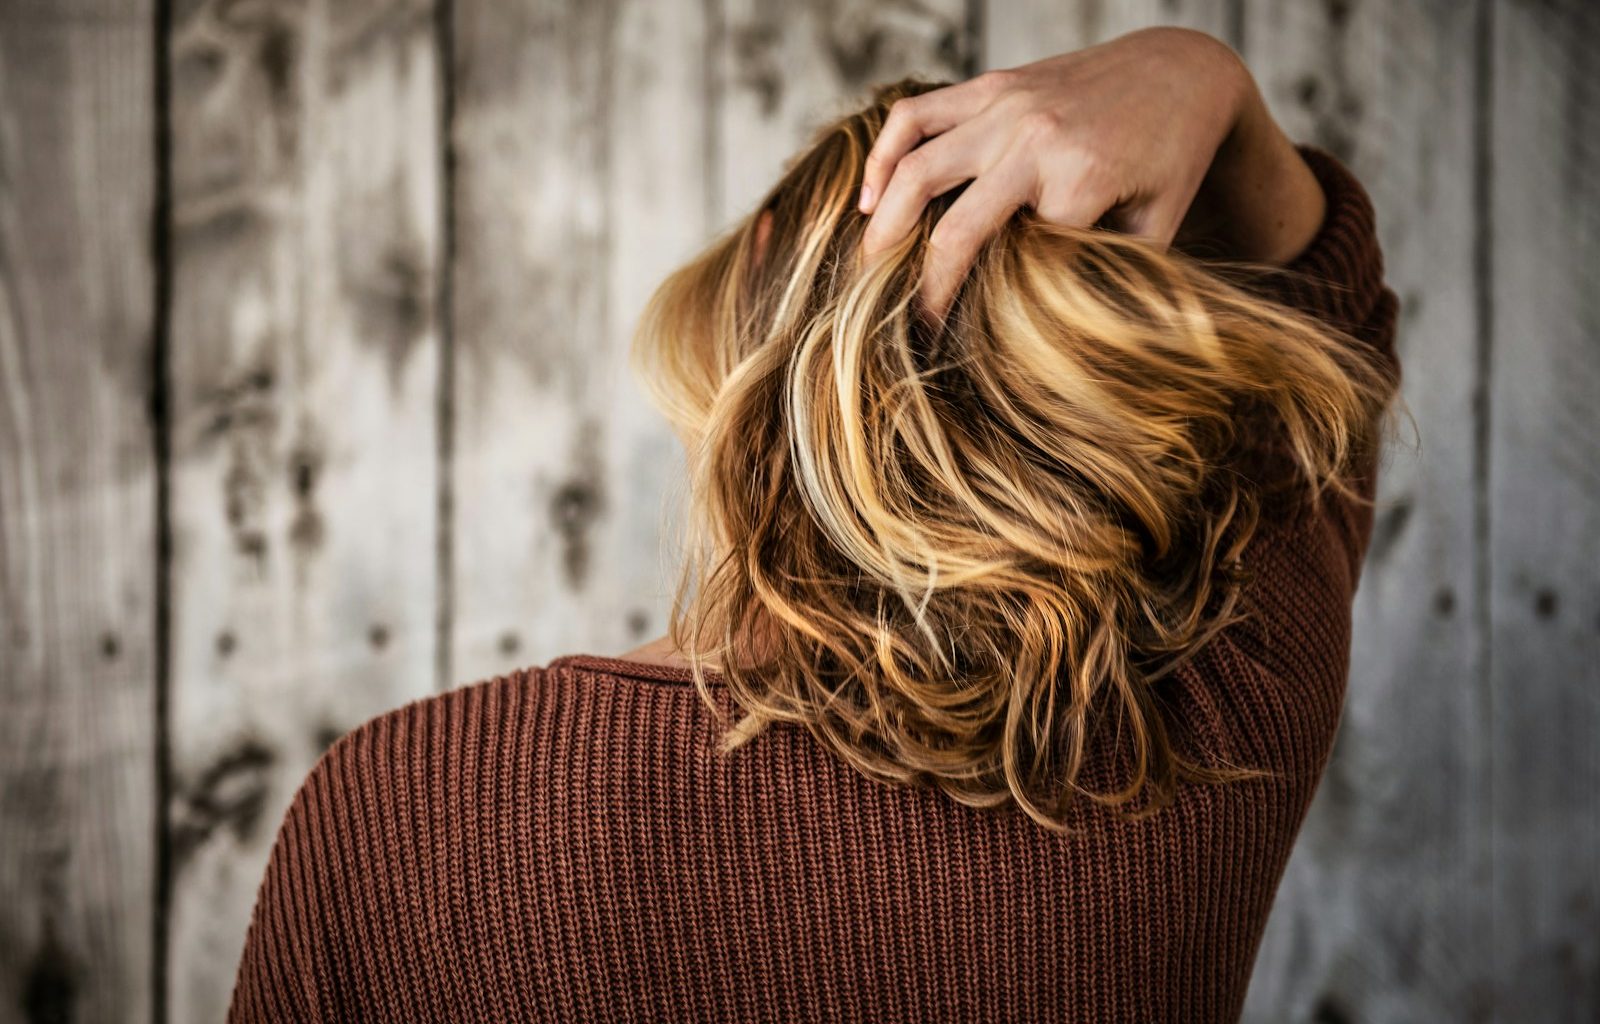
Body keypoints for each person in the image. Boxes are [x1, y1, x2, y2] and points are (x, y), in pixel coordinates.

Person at [229, 26, 1405, 1023]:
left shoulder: (400, 818)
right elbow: (1332, 329)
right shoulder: (1211, 727)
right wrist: (1202, 79)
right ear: (1097, 370)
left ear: (751, 294)